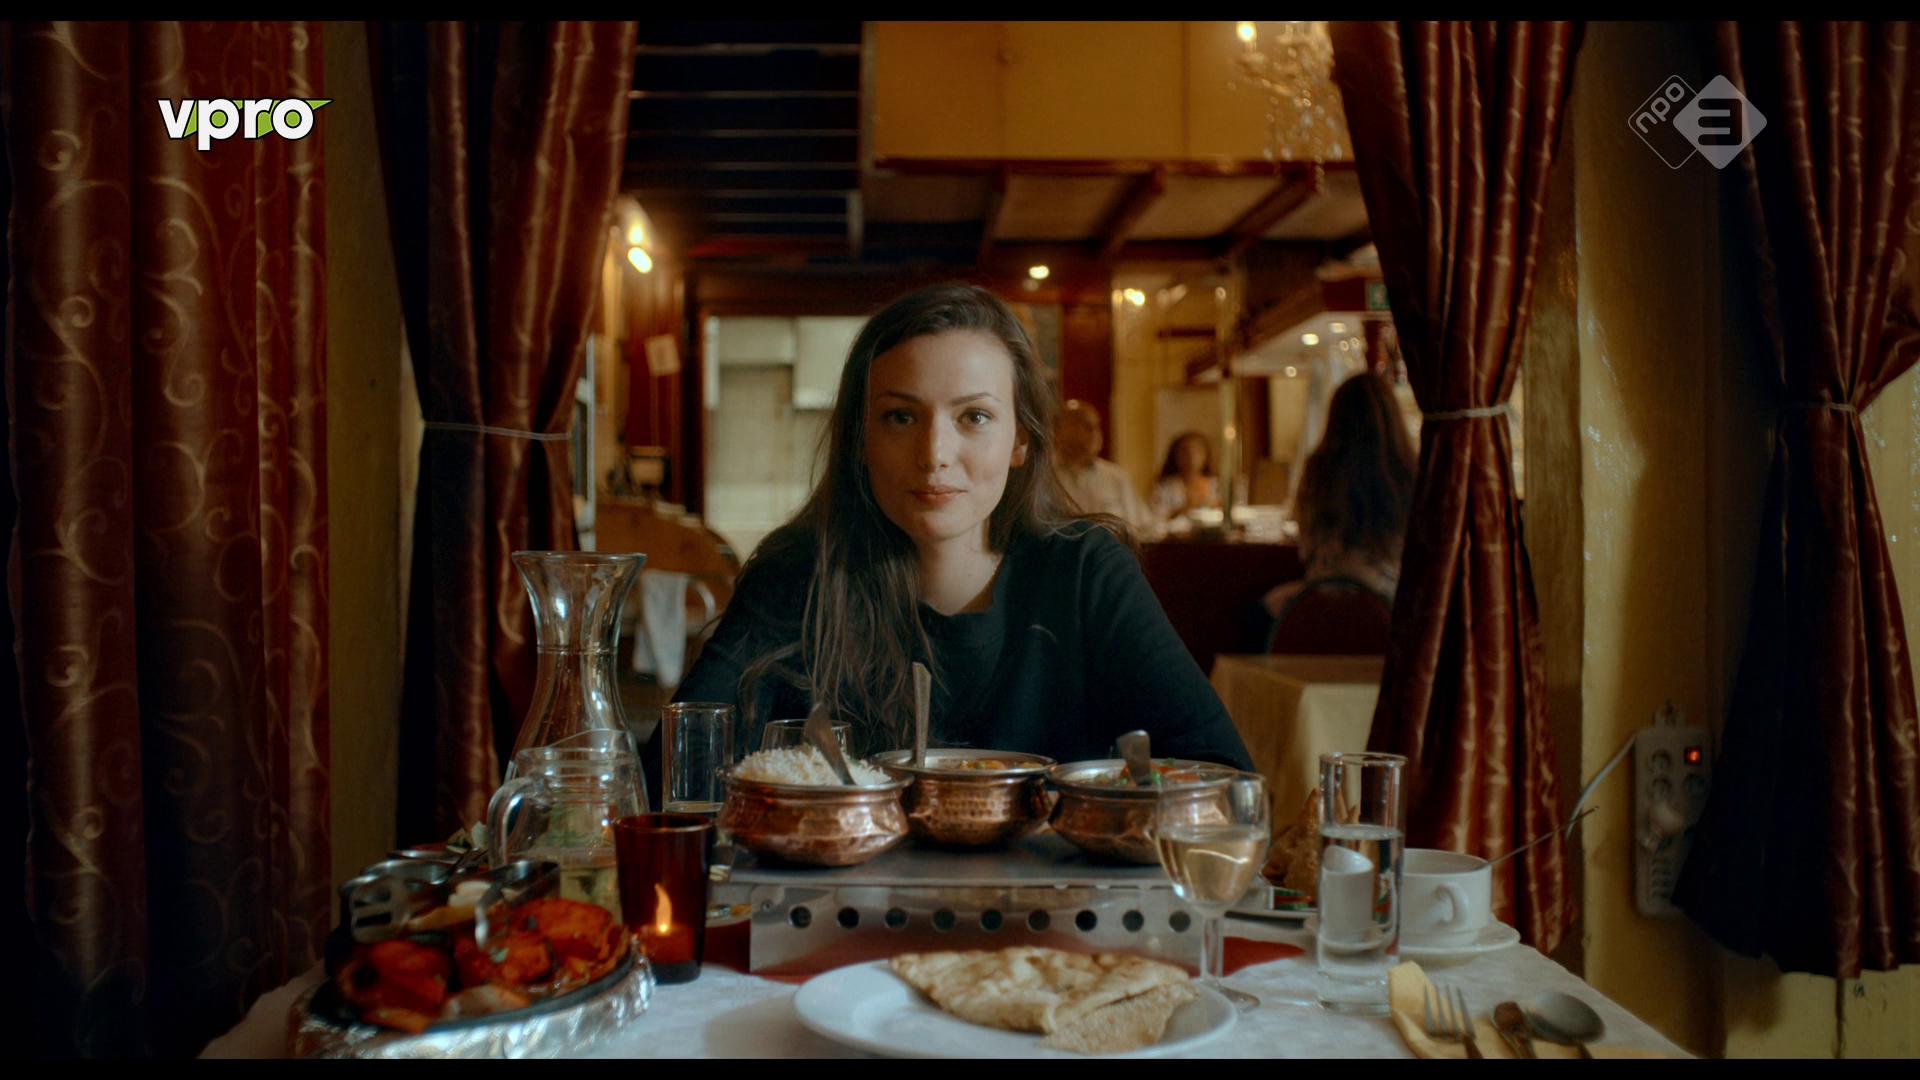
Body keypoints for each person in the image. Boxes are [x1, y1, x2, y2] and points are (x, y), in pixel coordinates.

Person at [649, 284, 1252, 792]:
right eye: (901, 417)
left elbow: (1224, 781)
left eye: (974, 417)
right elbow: (670, 778)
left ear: (1021, 440)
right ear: (861, 441)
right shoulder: (796, 575)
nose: (934, 453)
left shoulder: (1084, 574)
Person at [1263, 371, 1416, 618]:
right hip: (1389, 599)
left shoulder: (1320, 469)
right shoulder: (1408, 471)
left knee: (1259, 613)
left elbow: (1305, 543)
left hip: (1325, 594)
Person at [1053, 399, 1157, 536]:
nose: (1094, 432)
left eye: (1096, 426)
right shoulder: (1040, 475)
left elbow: (1143, 527)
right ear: (1058, 429)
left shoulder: (1117, 477)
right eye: (1084, 425)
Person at [1150, 431, 1222, 521]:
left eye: (1197, 451)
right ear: (1175, 455)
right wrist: (1185, 509)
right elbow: (1155, 518)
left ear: (1206, 454)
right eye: (1184, 451)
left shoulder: (1216, 485)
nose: (1191, 456)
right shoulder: (1164, 487)